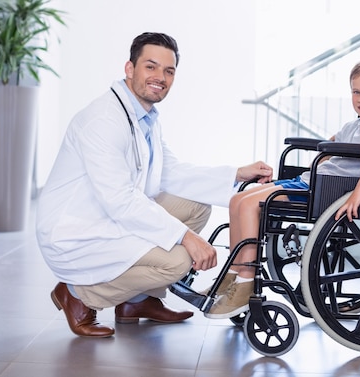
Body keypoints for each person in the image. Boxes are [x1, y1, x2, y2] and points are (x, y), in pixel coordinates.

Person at [36, 32, 273, 337]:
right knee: (178, 261)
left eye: (169, 71)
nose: (160, 77)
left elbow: (170, 172)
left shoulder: (144, 116)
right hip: (76, 230)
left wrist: (237, 173)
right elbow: (119, 200)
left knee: (195, 204)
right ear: (129, 68)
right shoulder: (104, 121)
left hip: (109, 215)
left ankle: (137, 300)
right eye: (151, 67)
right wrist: (185, 237)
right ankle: (77, 294)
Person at [204, 58, 360, 319]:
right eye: (356, 91)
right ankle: (233, 275)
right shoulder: (355, 125)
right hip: (311, 181)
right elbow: (332, 143)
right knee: (238, 199)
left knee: (250, 204)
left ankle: (246, 280)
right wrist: (323, 157)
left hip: (326, 190)